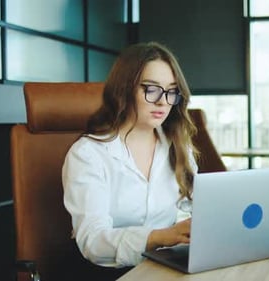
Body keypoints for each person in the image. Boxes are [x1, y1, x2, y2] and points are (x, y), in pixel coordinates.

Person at [62, 42, 198, 267]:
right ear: (125, 89)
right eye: (151, 89)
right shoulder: (88, 154)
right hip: (110, 273)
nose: (163, 101)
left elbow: (190, 210)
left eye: (172, 91)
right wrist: (160, 236)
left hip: (167, 266)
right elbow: (93, 241)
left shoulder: (178, 147)